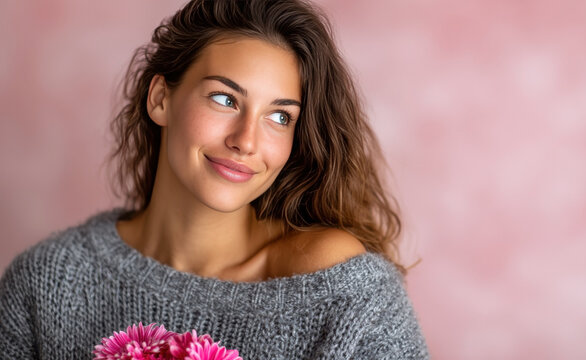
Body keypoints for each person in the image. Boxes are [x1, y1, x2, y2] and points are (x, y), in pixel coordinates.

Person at [0, 0, 429, 358]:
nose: (246, 140)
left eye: (279, 117)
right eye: (225, 99)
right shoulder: (45, 282)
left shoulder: (344, 293)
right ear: (161, 99)